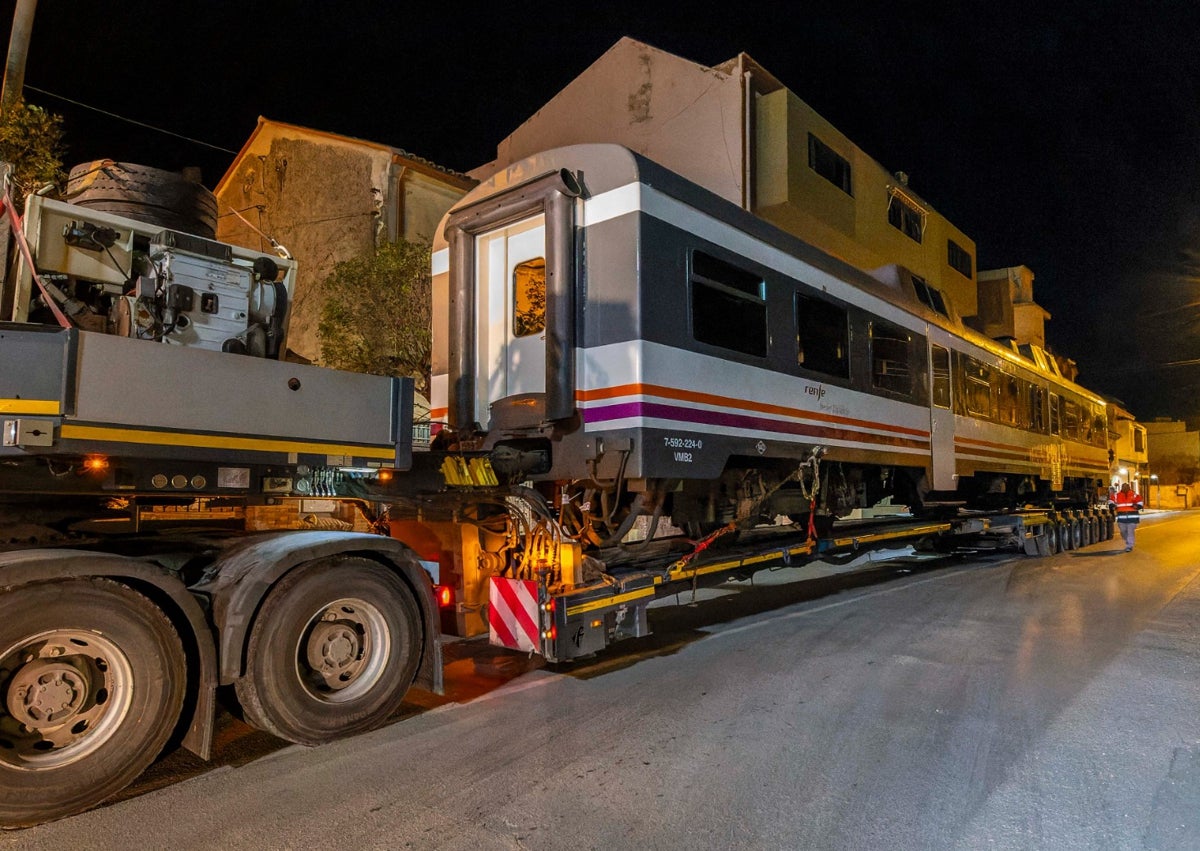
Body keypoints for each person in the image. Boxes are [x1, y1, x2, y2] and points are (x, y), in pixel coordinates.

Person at [1108, 482, 1143, 552]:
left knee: (1130, 532)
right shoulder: (1116, 495)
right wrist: (1112, 506)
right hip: (1122, 518)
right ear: (1121, 488)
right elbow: (1110, 501)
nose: (1125, 488)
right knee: (1123, 531)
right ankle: (1128, 541)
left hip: (1133, 518)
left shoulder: (1135, 495)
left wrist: (1137, 506)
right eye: (1123, 487)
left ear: (1129, 487)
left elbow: (1140, 504)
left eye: (1126, 487)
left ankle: (1129, 546)